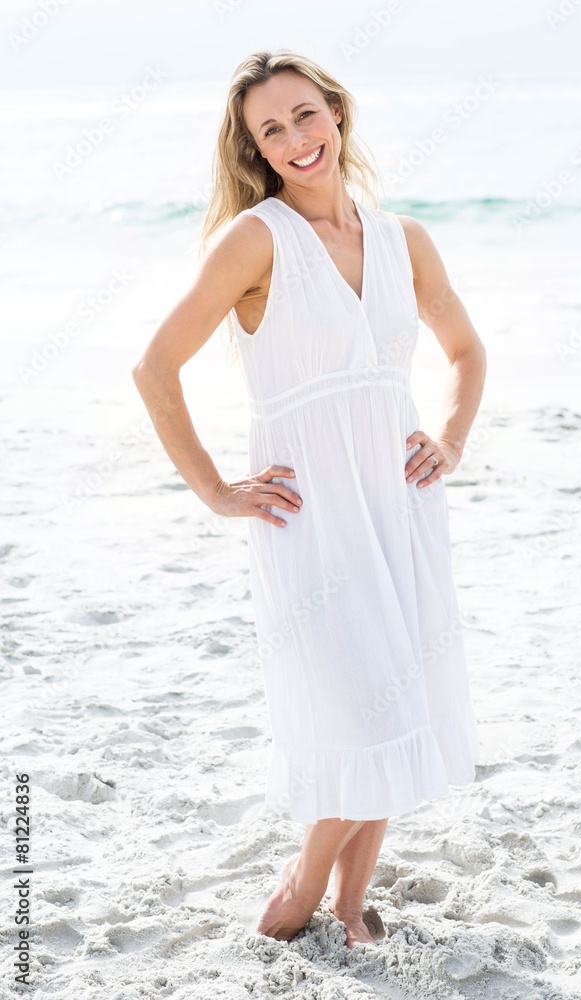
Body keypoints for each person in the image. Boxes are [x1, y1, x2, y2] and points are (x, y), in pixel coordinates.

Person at [132, 49, 487, 949]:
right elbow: (154, 366)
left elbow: (465, 352)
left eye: (304, 115)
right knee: (363, 706)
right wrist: (215, 489)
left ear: (336, 111)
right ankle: (297, 892)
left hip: (399, 508)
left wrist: (447, 440)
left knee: (398, 703)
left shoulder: (404, 238)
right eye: (270, 129)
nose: (295, 139)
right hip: (310, 521)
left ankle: (350, 906)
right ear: (253, 148)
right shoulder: (256, 239)